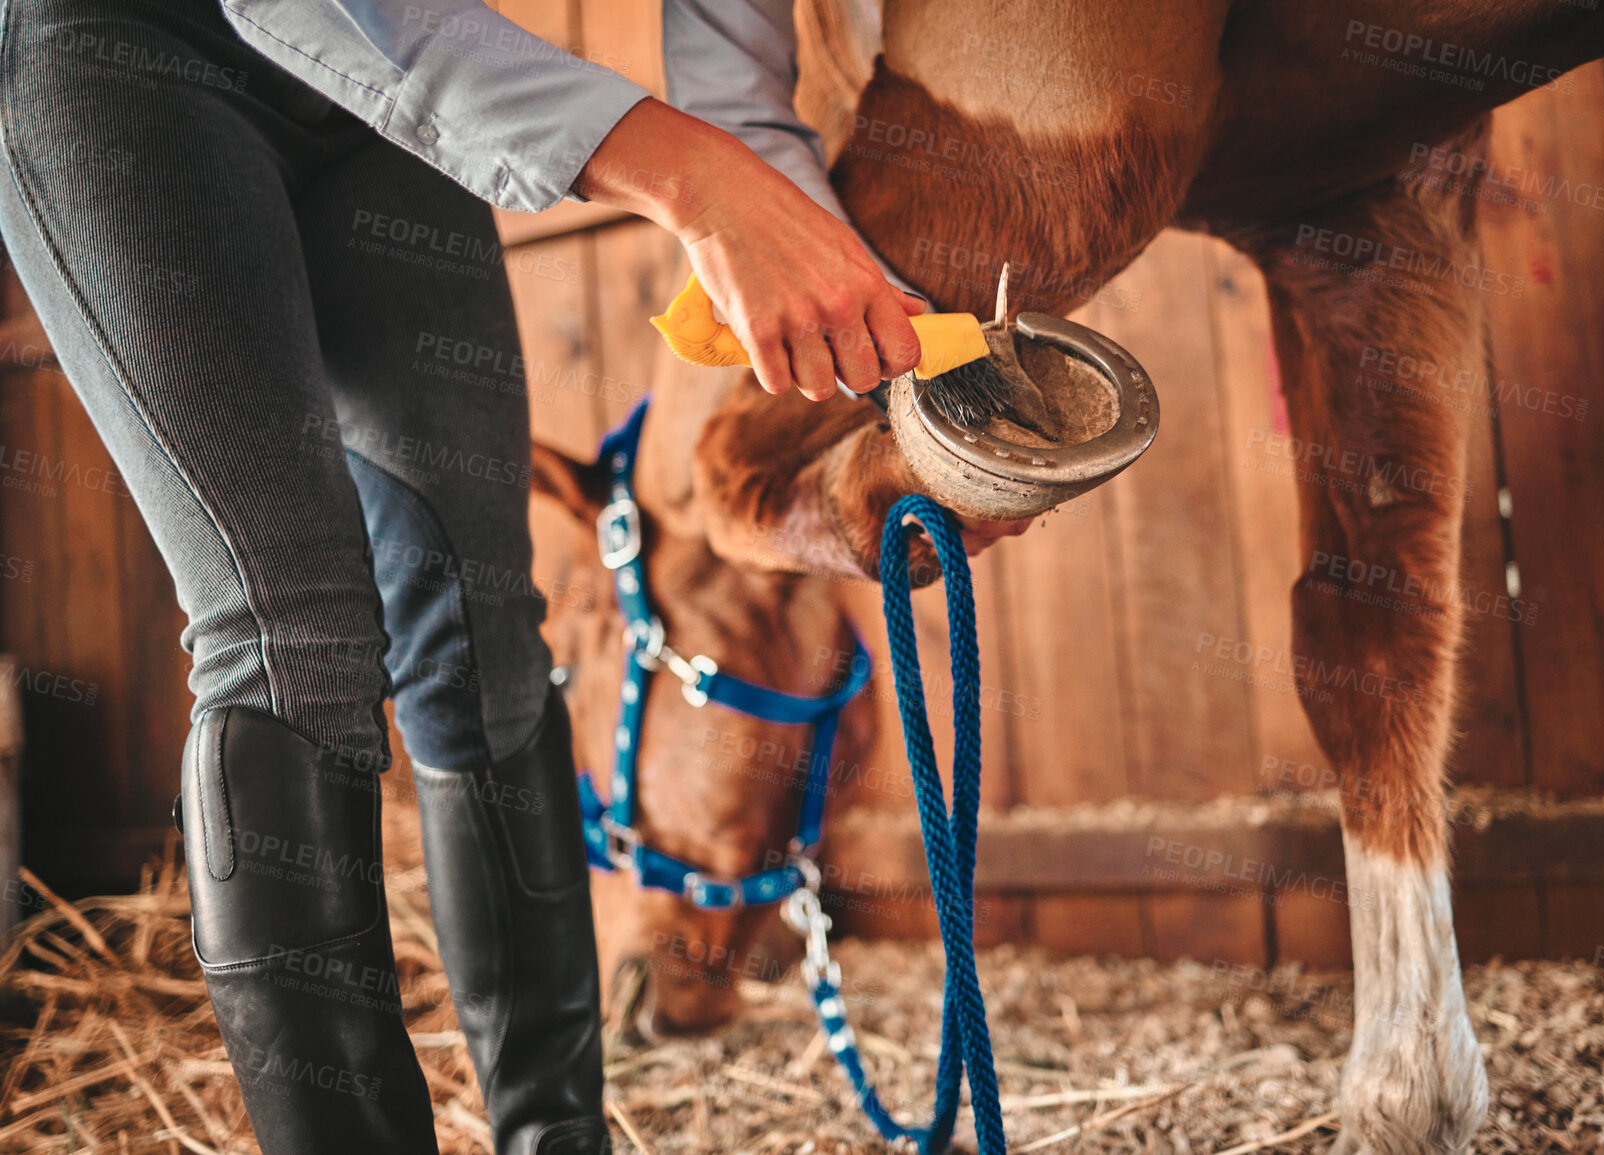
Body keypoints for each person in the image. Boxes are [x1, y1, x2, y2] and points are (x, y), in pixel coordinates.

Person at [0, 0, 923, 1151]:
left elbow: (723, 42)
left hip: (379, 108)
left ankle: (558, 1135)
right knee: (291, 637)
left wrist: (777, 215)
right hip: (134, 51)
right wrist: (694, 177)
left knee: (484, 632)